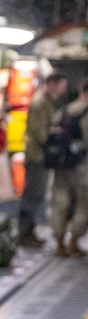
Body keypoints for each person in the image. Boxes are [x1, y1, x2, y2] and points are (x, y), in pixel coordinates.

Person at [18, 72, 68, 247]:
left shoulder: (46, 101)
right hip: (36, 157)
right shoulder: (40, 103)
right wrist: (55, 137)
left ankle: (28, 232)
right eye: (62, 85)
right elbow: (40, 133)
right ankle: (24, 234)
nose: (63, 90)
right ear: (52, 83)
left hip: (40, 156)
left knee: (36, 196)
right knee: (32, 195)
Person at [50, 79, 88, 257]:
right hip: (82, 166)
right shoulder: (85, 112)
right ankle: (73, 242)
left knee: (60, 201)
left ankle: (59, 243)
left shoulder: (64, 110)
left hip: (61, 164)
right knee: (83, 204)